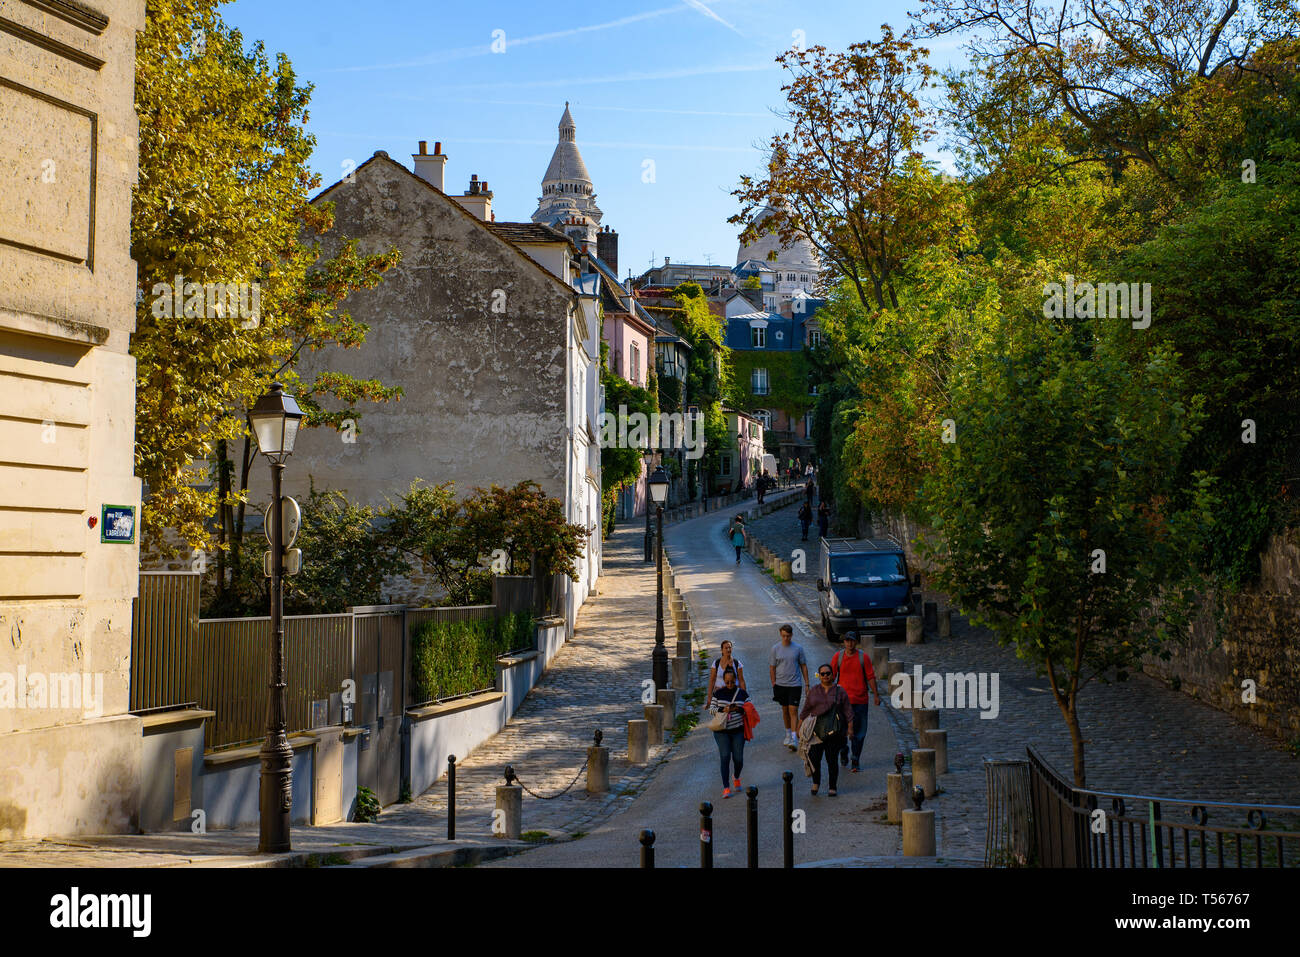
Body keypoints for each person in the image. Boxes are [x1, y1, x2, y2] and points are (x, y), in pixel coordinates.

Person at [800, 662, 853, 796]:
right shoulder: (814, 691)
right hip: (816, 731)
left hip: (834, 732)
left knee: (832, 760)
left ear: (832, 675)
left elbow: (848, 710)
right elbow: (806, 709)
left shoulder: (839, 691)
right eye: (822, 674)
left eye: (827, 673)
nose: (825, 676)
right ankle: (816, 783)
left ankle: (832, 786)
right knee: (814, 758)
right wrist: (798, 728)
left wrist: (850, 728)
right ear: (819, 676)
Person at [831, 632, 880, 772]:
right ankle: (844, 750)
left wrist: (876, 695)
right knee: (840, 731)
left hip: (860, 701)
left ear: (856, 642)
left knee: (859, 732)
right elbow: (830, 676)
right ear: (844, 642)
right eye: (847, 641)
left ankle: (855, 760)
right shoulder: (838, 657)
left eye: (852, 641)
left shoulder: (863, 657)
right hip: (842, 701)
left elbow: (870, 677)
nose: (849, 644)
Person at [709, 667, 750, 797]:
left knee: (738, 759)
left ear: (736, 680)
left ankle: (736, 776)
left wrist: (738, 709)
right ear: (724, 681)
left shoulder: (743, 694)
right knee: (725, 756)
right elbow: (711, 710)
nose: (730, 685)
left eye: (732, 682)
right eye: (727, 682)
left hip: (738, 730)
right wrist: (723, 709)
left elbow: (750, 710)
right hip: (722, 731)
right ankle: (726, 787)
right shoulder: (718, 693)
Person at [768, 624, 809, 751]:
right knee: (785, 710)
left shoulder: (798, 648)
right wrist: (773, 682)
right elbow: (772, 667)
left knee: (793, 710)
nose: (786, 638)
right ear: (780, 634)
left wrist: (807, 683)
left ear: (791, 635)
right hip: (781, 685)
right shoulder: (775, 649)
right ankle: (787, 734)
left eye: (788, 636)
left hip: (795, 684)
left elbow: (803, 665)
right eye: (784, 636)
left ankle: (794, 738)